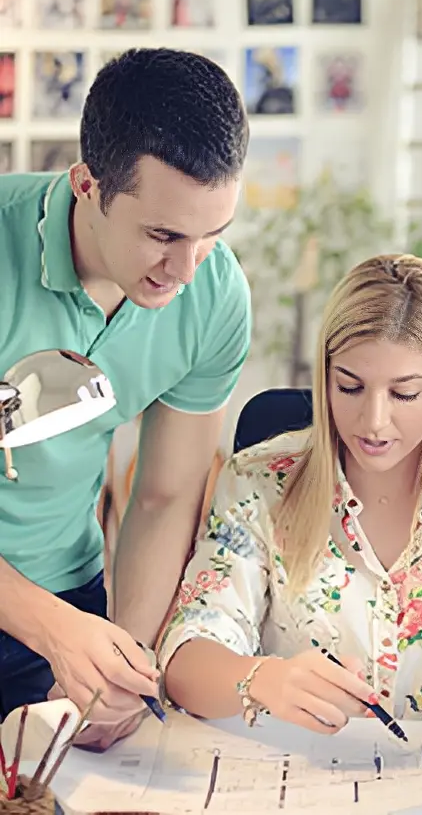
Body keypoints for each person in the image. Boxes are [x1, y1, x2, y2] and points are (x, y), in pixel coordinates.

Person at [156, 254, 422, 734]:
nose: (374, 422)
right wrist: (261, 678)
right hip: (291, 781)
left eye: (404, 394)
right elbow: (186, 655)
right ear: (325, 376)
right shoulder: (258, 481)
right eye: (350, 387)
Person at [0, 47, 251, 748]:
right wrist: (49, 627)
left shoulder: (214, 292)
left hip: (69, 602)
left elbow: (164, 496)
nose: (184, 269)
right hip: (48, 619)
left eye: (211, 236)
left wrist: (124, 660)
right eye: (163, 235)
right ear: (88, 185)